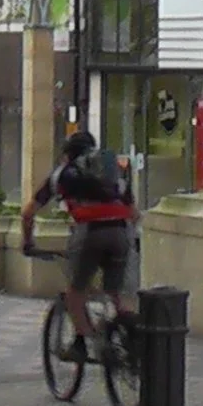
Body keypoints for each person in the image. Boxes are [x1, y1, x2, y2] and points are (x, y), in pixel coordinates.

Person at [21, 131, 139, 364]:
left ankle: (80, 342)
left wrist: (28, 242)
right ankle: (129, 332)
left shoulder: (63, 174)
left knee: (75, 292)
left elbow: (28, 213)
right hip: (120, 232)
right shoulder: (113, 173)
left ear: (67, 154)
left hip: (89, 233)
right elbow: (134, 214)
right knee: (115, 292)